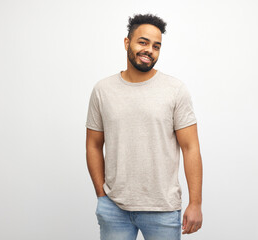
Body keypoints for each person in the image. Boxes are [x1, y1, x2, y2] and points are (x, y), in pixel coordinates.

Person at [85, 13, 203, 240]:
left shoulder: (175, 90)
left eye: (156, 46)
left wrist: (195, 203)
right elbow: (93, 144)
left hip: (163, 209)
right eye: (143, 42)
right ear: (127, 43)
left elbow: (191, 148)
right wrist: (101, 195)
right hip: (114, 208)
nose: (149, 50)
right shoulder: (103, 90)